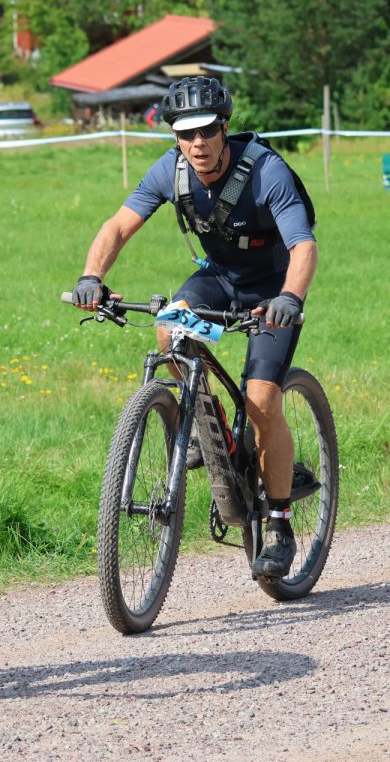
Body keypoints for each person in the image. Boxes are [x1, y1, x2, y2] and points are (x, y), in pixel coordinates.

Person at [71, 76, 317, 578]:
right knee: (169, 330)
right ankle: (211, 431)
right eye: (186, 134)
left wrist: (290, 298)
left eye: (207, 131)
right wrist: (92, 276)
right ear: (175, 137)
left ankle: (279, 524)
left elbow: (303, 245)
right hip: (219, 279)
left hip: (272, 290)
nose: (198, 143)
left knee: (262, 399)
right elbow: (118, 226)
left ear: (225, 128)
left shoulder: (266, 171)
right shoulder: (171, 170)